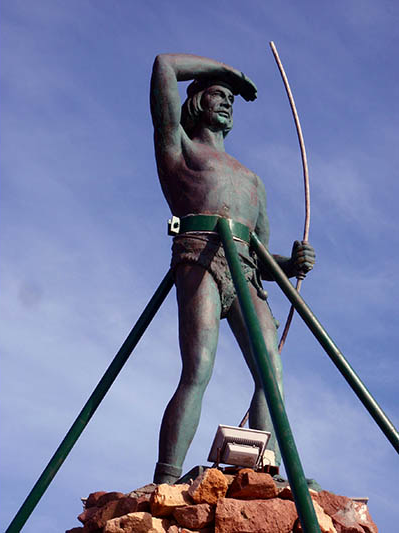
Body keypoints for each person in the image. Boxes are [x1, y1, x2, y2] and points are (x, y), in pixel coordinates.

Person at [150, 54, 315, 484]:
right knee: (199, 366)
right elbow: (165, 66)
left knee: (270, 374)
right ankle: (165, 479)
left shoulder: (252, 179)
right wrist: (226, 73)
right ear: (196, 102)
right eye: (217, 95)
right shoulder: (179, 149)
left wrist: (290, 263)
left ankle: (266, 473)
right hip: (200, 255)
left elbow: (259, 253)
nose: (226, 102)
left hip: (245, 272)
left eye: (230, 99)